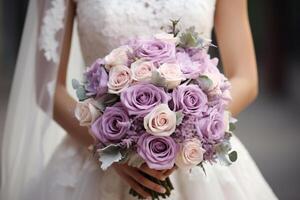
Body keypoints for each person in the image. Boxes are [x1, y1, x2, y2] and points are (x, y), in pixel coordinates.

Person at [1, 0, 278, 199]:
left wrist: (192, 133)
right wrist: (109, 148)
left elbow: (246, 78)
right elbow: (47, 87)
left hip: (196, 159)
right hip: (97, 151)